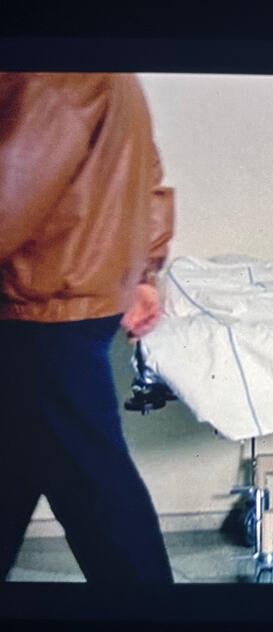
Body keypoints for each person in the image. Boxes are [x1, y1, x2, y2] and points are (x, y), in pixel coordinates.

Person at [0, 73, 175, 583]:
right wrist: (142, 275)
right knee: (25, 468)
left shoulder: (48, 74)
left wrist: (142, 276)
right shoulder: (111, 73)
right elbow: (148, 178)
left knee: (99, 495)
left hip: (43, 311)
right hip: (66, 306)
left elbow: (8, 194)